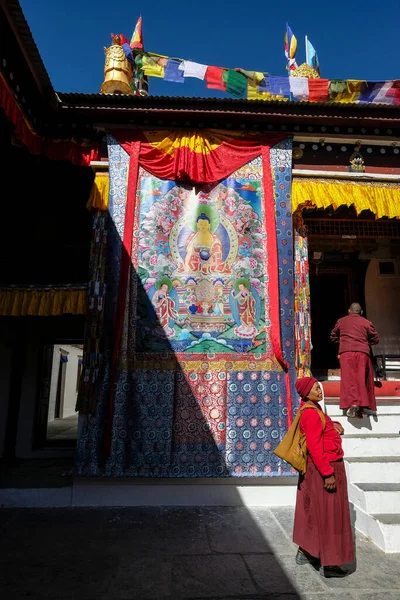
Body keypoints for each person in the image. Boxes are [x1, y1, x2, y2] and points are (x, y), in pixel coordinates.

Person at [293, 376, 354, 578]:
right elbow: (314, 447)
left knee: (315, 513)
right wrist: (328, 474)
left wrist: (334, 424)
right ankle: (331, 563)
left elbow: (322, 428)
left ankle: (308, 552)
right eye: (315, 388)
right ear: (306, 393)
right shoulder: (310, 413)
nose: (320, 391)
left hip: (320, 469)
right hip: (324, 469)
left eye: (319, 387)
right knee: (330, 517)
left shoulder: (314, 409)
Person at [330, 303, 379, 418]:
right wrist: (364, 343)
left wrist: (344, 342)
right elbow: (375, 339)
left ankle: (353, 404)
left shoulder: (341, 321)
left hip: (346, 353)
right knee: (362, 378)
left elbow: (333, 336)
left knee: (349, 379)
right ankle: (362, 405)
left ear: (349, 311)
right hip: (362, 353)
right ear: (361, 312)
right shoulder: (366, 322)